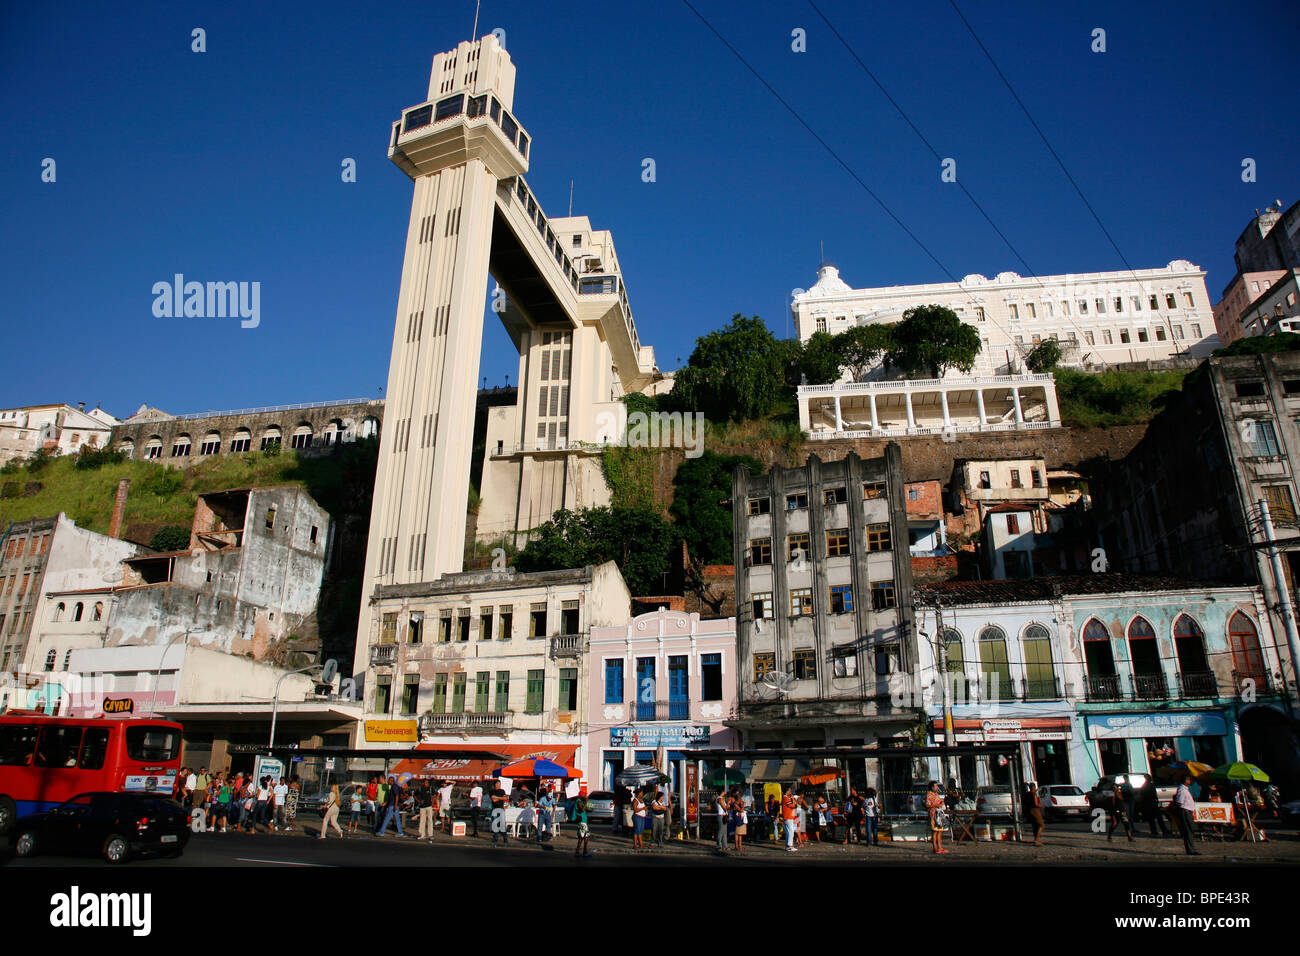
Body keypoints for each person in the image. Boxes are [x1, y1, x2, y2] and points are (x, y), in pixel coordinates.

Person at [1173, 773, 1201, 855]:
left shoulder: (1185, 789)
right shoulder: (1182, 790)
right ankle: (1190, 849)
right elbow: (1179, 802)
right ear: (1186, 781)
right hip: (1185, 811)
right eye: (1188, 779)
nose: (1190, 781)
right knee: (1188, 830)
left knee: (1190, 830)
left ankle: (1191, 848)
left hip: (1188, 811)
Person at [926, 781, 948, 855]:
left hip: (939, 814)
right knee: (935, 831)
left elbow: (939, 802)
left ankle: (940, 847)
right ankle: (935, 848)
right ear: (932, 787)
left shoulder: (936, 794)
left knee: (940, 831)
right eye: (935, 786)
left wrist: (942, 802)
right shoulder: (929, 795)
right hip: (933, 814)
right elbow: (927, 805)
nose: (937, 787)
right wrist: (936, 805)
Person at [572, 791, 592, 858]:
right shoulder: (579, 801)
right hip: (582, 822)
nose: (586, 796)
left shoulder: (580, 801)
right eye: (585, 795)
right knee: (586, 836)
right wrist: (586, 801)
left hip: (583, 821)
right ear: (581, 796)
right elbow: (582, 810)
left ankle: (578, 852)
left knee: (582, 837)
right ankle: (584, 852)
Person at [490, 781, 510, 846]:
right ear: (495, 784)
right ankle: (495, 837)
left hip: (501, 808)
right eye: (497, 784)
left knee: (502, 824)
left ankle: (505, 837)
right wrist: (500, 798)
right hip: (494, 808)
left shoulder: (502, 791)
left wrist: (497, 798)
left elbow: (505, 798)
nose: (499, 785)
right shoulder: (492, 791)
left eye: (499, 784)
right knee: (495, 823)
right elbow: (493, 799)